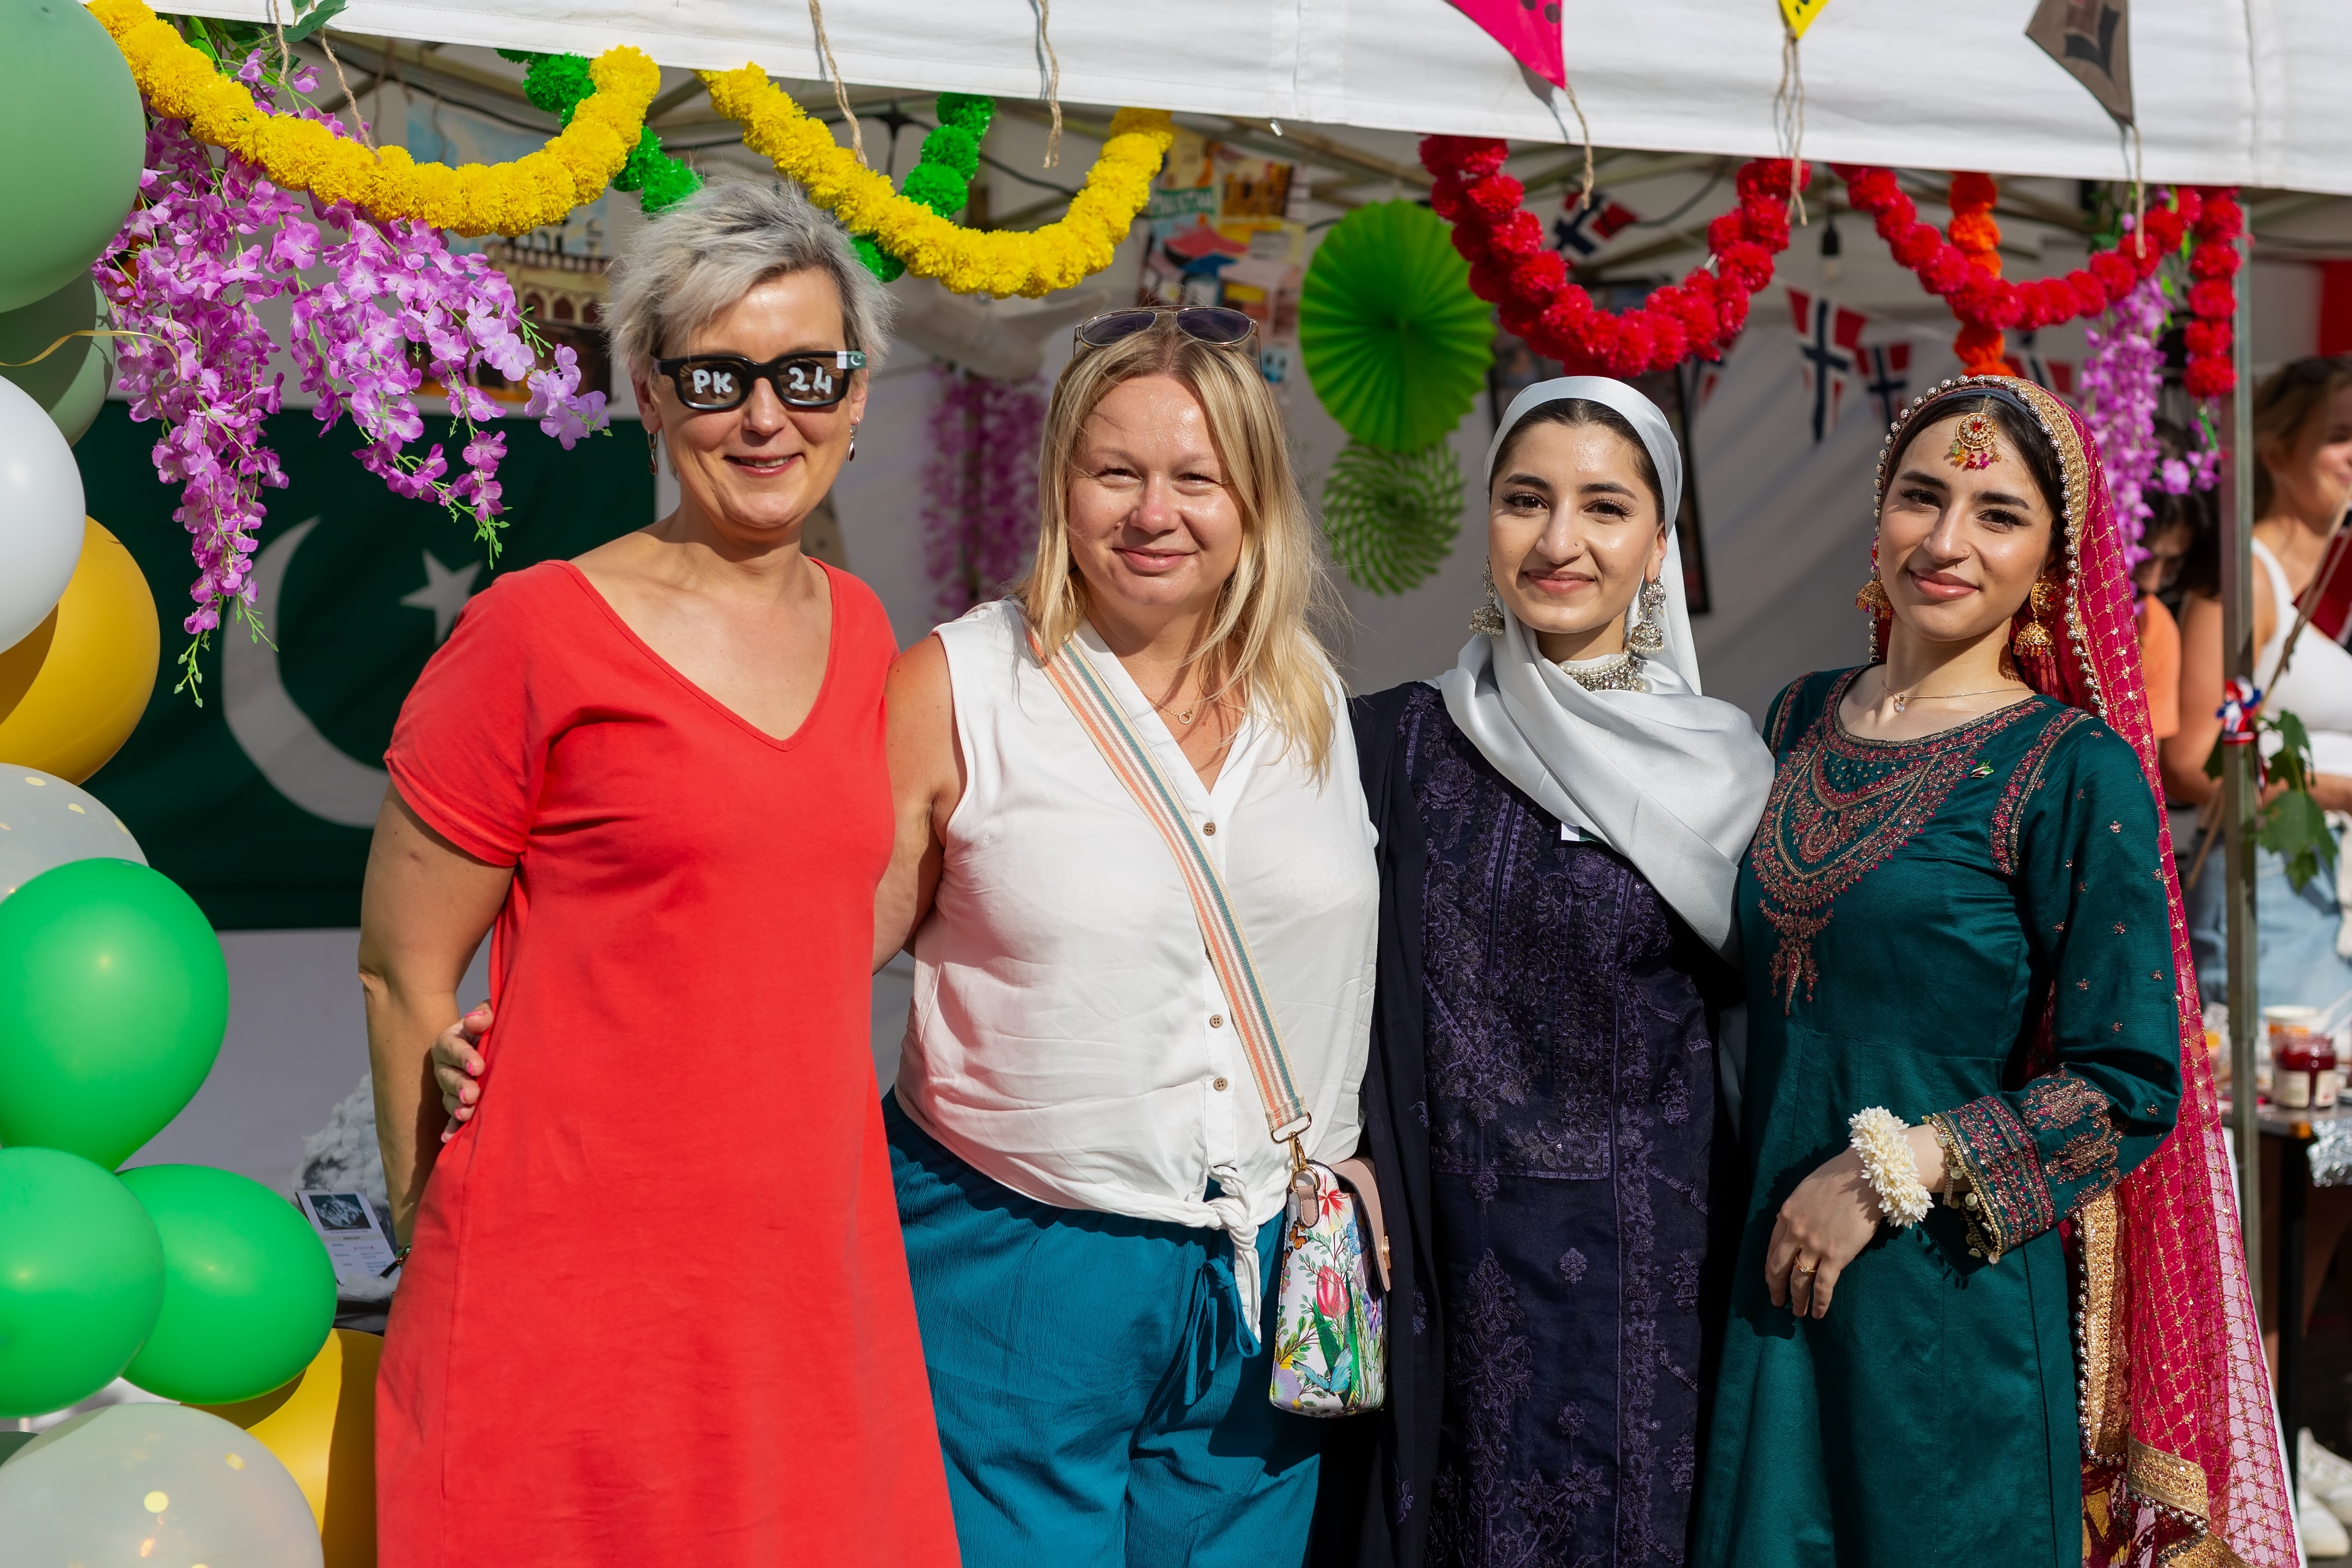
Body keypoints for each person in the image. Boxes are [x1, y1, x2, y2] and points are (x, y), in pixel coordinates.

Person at [366, 180, 958, 1567]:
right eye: (715, 377)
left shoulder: (867, 631)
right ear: (647, 391)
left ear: (856, 397)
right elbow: (402, 970)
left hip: (802, 1276)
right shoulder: (532, 631)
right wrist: (421, 1221)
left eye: (805, 374)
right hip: (564, 1278)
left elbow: (803, 920)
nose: (765, 418)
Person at [1693, 376, 2294, 1567]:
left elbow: (2129, 1082)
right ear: (1879, 517)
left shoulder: (2072, 769)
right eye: (1921, 496)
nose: (1947, 540)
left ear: (2052, 565)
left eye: (1999, 513)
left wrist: (1891, 1170)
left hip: (1947, 1307)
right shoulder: (1795, 719)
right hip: (1773, 1282)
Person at [872, 305, 1379, 1567]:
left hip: (1266, 1268)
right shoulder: (961, 686)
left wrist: (1355, 1155)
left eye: (1196, 478)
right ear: (1061, 483)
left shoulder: (1310, 699)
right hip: (1015, 1257)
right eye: (1116, 472)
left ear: (1253, 499)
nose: (1155, 513)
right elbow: (810, 960)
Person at [1313, 379, 1773, 1568]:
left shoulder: (1732, 775)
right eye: (1526, 500)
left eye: (1605, 508)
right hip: (1442, 1267)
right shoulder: (1394, 743)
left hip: (1655, 1289)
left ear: (1660, 545)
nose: (1560, 540)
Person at [2168, 357, 2352, 1011]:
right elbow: (2193, 760)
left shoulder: (2316, 581)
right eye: (2340, 435)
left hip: (2324, 886)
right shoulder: (2246, 578)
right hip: (2272, 885)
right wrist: (2339, 792)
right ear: (2275, 453)